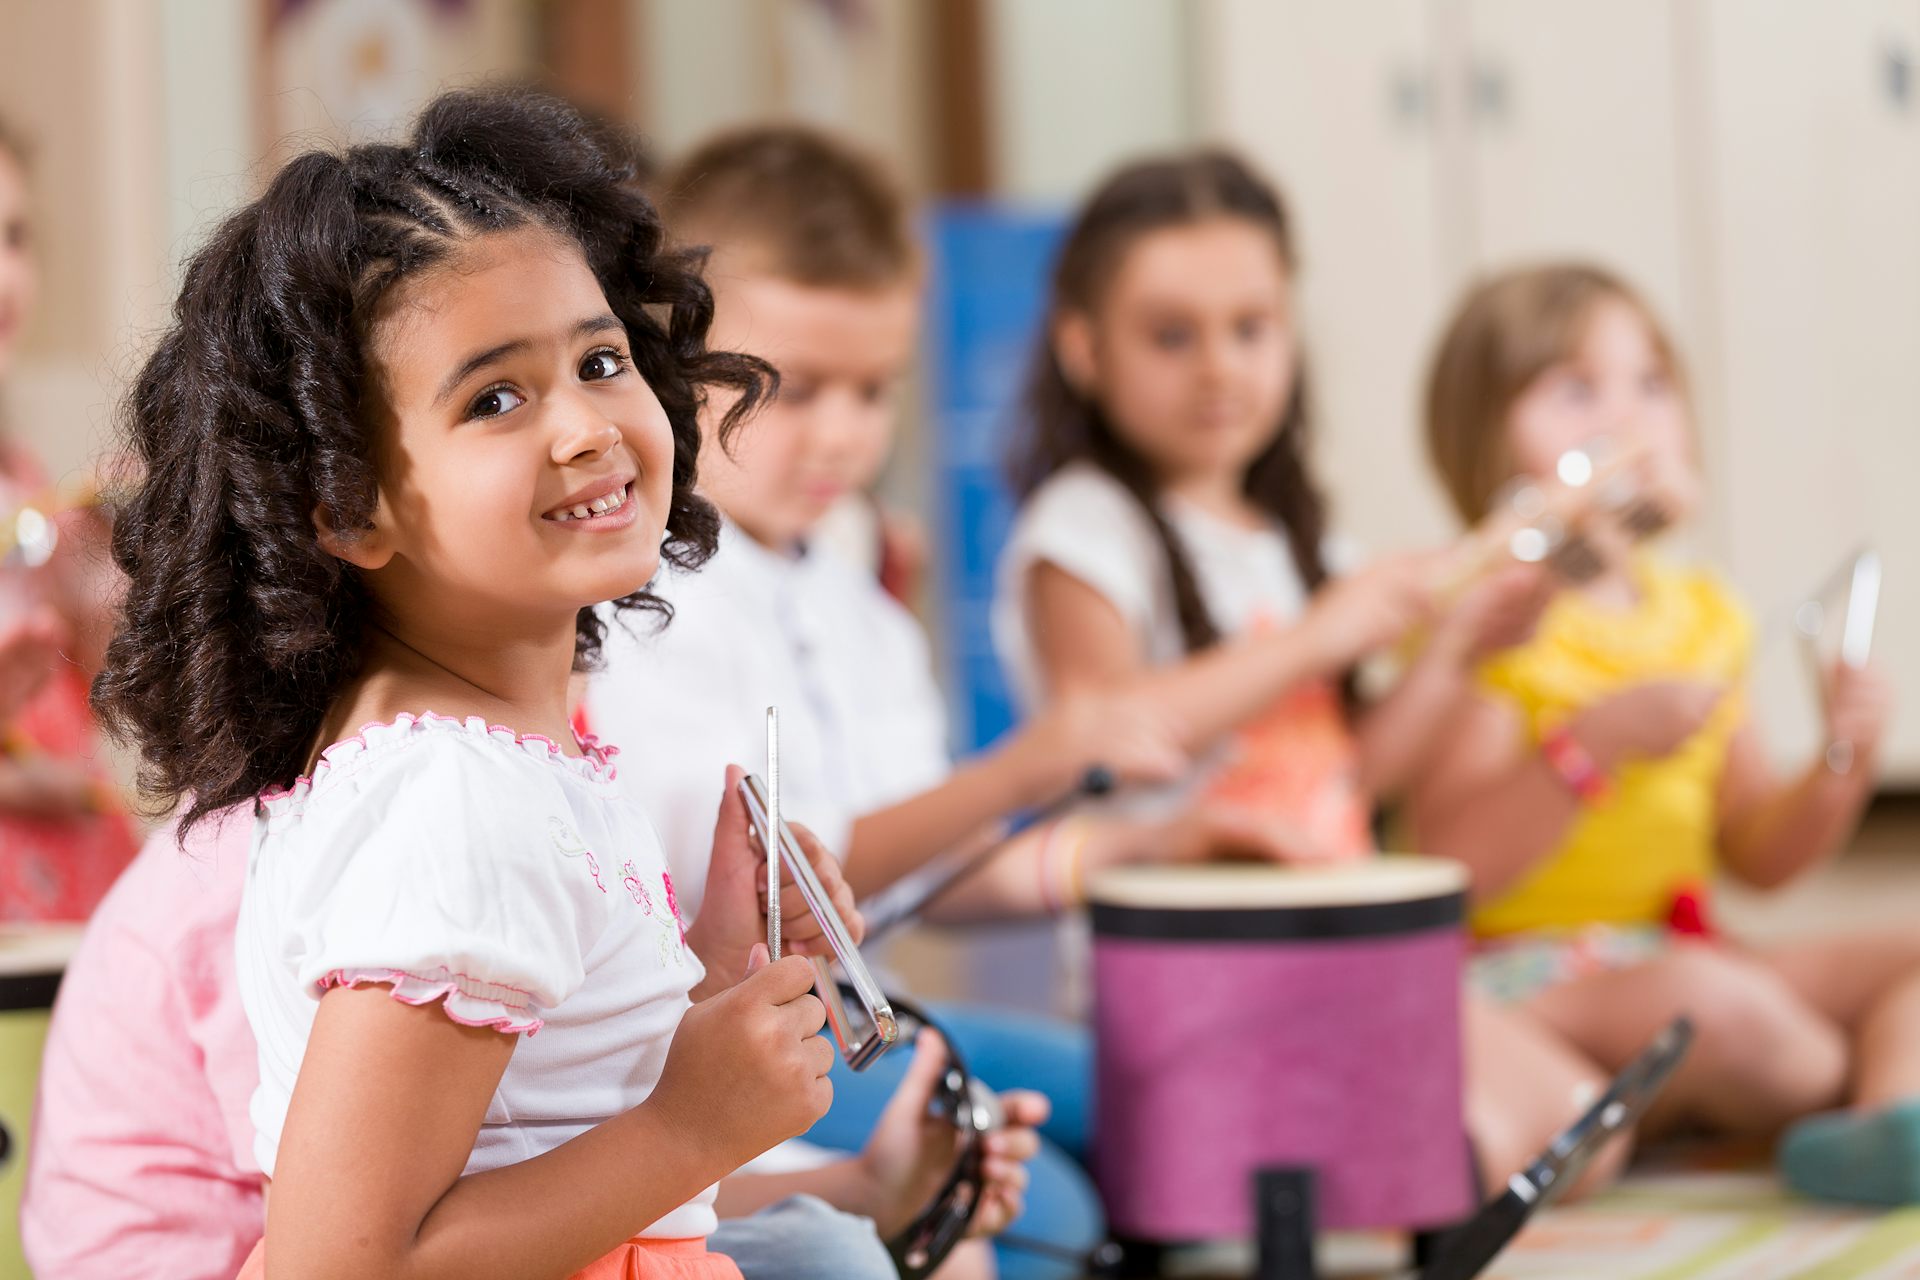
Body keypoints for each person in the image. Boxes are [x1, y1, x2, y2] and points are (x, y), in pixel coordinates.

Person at [86, 89, 1035, 1279]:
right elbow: (342, 1264)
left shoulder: (489, 763)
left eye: (600, 359)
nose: (586, 425)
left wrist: (715, 968)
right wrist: (690, 1122)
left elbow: (534, 1117)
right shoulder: (453, 807)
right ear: (345, 506)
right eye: (495, 396)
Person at [990, 151, 1620, 1194]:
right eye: (1171, 334)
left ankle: (1334, 1160)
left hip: (1333, 933)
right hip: (1186, 972)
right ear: (1083, 348)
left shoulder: (1292, 531)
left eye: (1252, 328)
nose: (1219, 368)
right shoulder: (1082, 531)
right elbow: (1097, 726)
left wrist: (1461, 648)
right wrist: (1318, 635)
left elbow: (1357, 776)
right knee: (1494, 1142)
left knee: (1582, 1130)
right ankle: (1301, 1169)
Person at [1412, 261, 1917, 1207]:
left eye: (1651, 384)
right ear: (1482, 440)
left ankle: (1886, 1125)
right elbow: (1454, 868)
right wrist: (1591, 745)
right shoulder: (1490, 623)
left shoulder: (1700, 614)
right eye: (1575, 390)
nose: (1626, 419)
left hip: (1674, 946)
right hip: (1529, 972)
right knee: (1723, 1007)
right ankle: (1816, 1081)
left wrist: (1839, 763)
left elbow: (1755, 849)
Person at [0, 112, 137, 920]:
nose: (5, 277)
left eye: (15, 237)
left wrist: (104, 595)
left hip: (78, 903)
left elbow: (80, 690)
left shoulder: (23, 476)